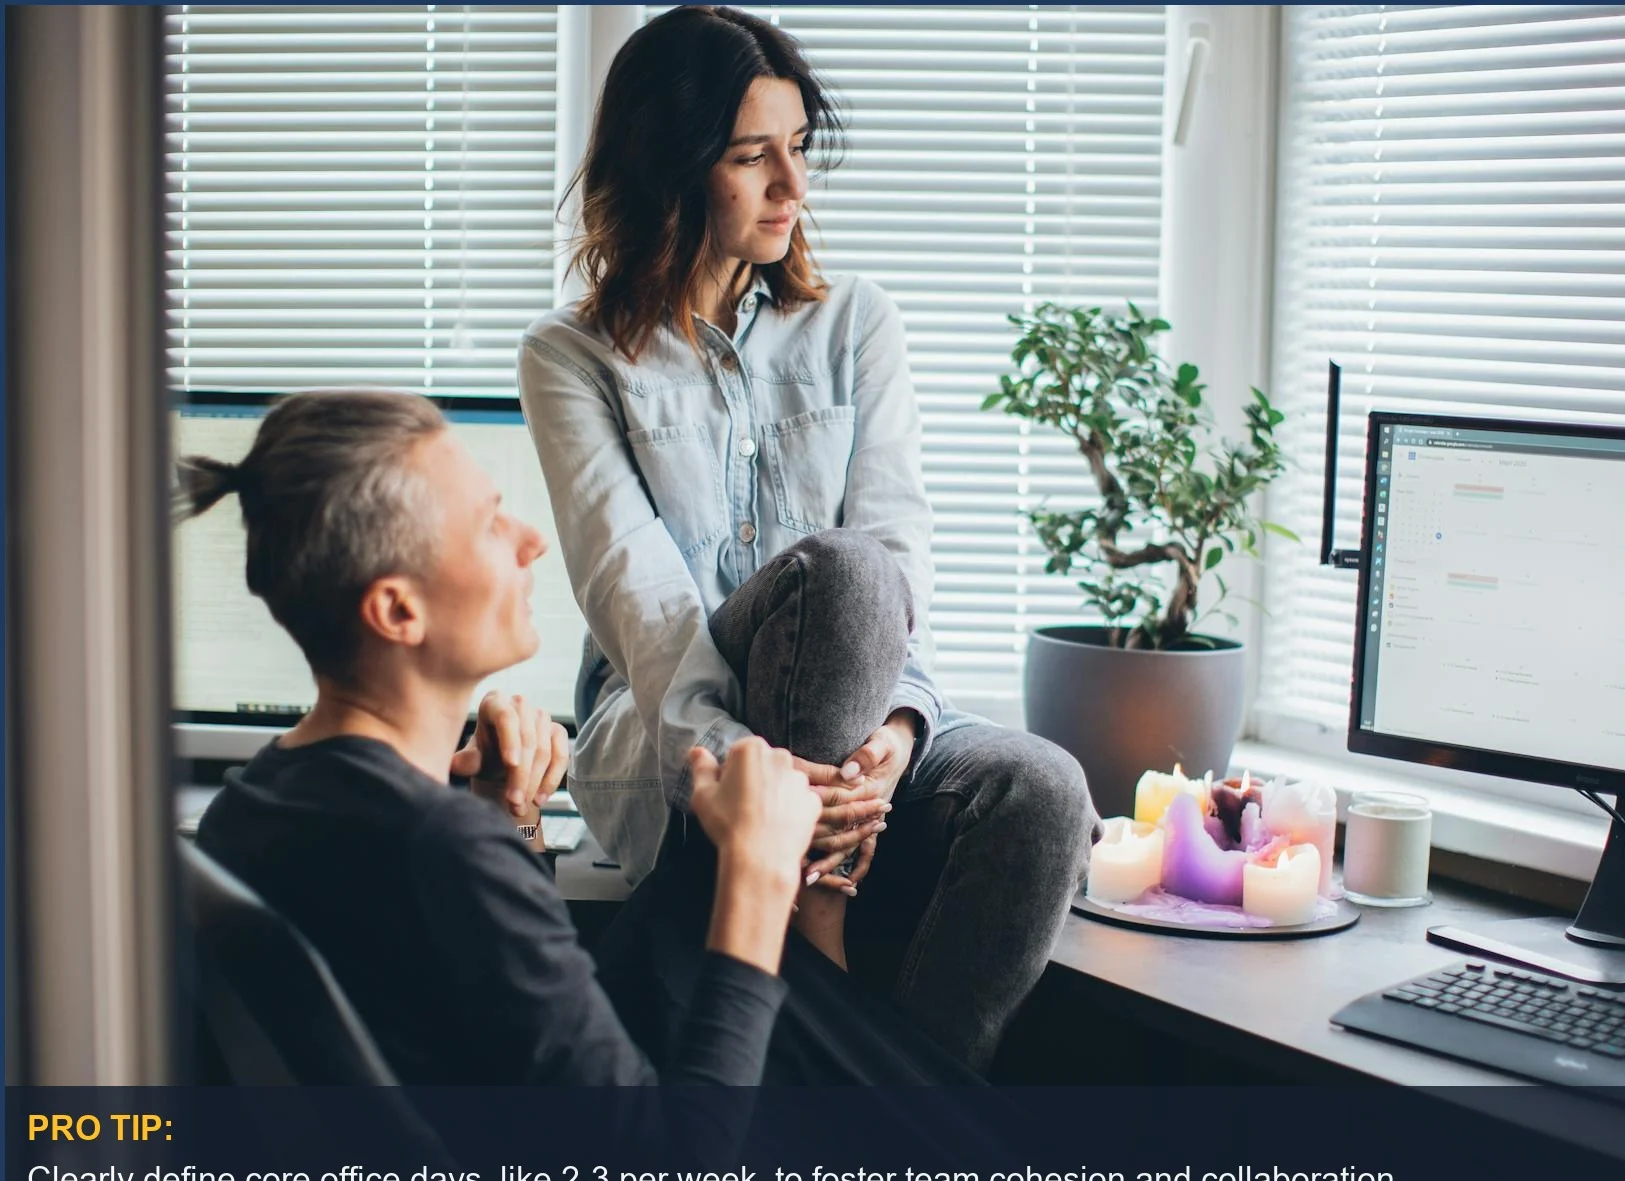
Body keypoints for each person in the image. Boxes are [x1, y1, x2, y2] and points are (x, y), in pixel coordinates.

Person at [518, 4, 1095, 1071]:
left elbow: (899, 550)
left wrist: (898, 731)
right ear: (668, 172)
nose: (794, 186)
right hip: (679, 736)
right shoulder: (571, 357)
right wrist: (766, 786)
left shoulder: (856, 320)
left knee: (1044, 788)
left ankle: (902, 1118)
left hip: (864, 717)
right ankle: (811, 920)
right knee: (839, 573)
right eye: (753, 158)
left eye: (798, 148)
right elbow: (646, 607)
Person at [184, 389, 821, 1086]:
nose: (532, 540)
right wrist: (757, 877)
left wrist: (510, 816)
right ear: (397, 610)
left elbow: (509, 1023)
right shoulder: (442, 849)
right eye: (489, 524)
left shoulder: (246, 807)